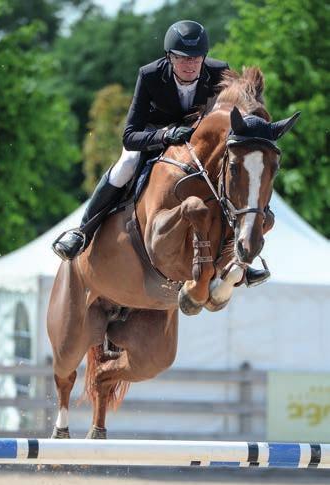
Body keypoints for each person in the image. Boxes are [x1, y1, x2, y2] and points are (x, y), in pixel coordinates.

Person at [52, 20, 270, 286]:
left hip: (197, 146)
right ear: (169, 57)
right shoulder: (150, 75)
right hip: (154, 138)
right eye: (181, 59)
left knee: (234, 177)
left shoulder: (218, 72)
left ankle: (242, 259)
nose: (190, 65)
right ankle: (83, 231)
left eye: (196, 58)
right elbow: (129, 135)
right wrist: (165, 135)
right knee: (126, 165)